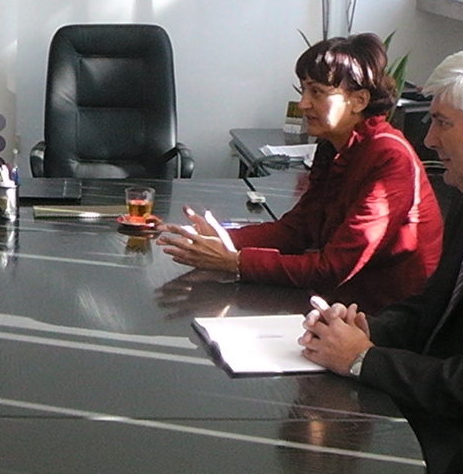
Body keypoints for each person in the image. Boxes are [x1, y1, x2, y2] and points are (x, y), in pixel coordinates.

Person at [300, 45, 463, 474]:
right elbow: (431, 306)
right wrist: (366, 329)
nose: (428, 139)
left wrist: (363, 358)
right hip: (443, 415)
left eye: (441, 122)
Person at [157, 34, 444, 313]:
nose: (303, 103)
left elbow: (333, 268)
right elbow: (297, 230)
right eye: (303, 90)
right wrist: (223, 238)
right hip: (340, 302)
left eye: (316, 92)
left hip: (386, 317)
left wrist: (235, 262)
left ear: (358, 100)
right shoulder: (333, 145)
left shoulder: (389, 157)